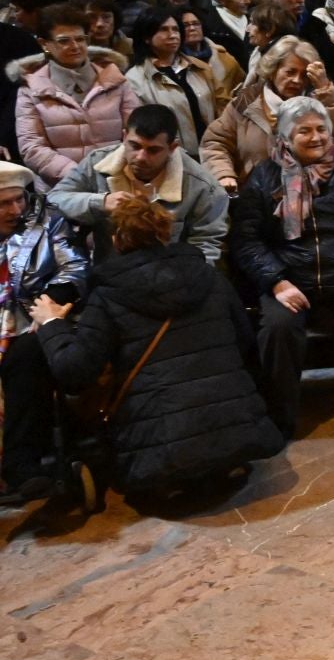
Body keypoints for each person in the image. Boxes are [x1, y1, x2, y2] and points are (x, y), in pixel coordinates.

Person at [35, 195, 281, 498]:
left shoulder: (109, 295)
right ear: (165, 233)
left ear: (116, 240)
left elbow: (74, 371)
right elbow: (245, 342)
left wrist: (51, 325)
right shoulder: (210, 277)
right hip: (240, 436)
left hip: (156, 459)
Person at [230, 96, 334, 441]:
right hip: (291, 278)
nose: (317, 137)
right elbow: (246, 240)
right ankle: (280, 419)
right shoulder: (265, 177)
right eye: (304, 131)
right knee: (277, 327)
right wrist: (277, 282)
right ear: (286, 139)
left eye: (322, 128)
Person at [0, 161, 87, 506]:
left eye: (19, 199)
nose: (16, 209)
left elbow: (75, 269)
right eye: (4, 204)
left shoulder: (48, 222)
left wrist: (49, 307)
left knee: (26, 354)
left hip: (35, 319)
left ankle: (22, 466)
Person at [49, 105, 228, 264]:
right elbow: (53, 200)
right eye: (134, 146)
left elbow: (205, 246)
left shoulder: (203, 187)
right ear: (125, 136)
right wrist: (101, 202)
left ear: (172, 147)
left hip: (170, 278)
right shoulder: (97, 163)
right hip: (109, 275)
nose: (141, 157)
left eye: (153, 150)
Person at [202, 36, 334, 192]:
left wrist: (326, 92)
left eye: (304, 75)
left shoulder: (318, 99)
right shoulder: (245, 103)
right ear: (272, 70)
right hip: (256, 194)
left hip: (315, 194)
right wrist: (223, 174)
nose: (296, 80)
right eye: (290, 72)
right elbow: (215, 143)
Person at [12, 3, 139, 190]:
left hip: (118, 180)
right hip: (61, 188)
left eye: (80, 39)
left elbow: (137, 130)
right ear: (44, 44)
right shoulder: (31, 89)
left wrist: (114, 169)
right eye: (64, 41)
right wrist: (80, 175)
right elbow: (32, 147)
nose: (75, 47)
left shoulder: (115, 80)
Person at [124, 8, 219, 158]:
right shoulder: (135, 79)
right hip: (170, 158)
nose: (172, 35)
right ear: (147, 37)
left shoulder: (199, 67)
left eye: (176, 29)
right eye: (164, 30)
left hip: (211, 154)